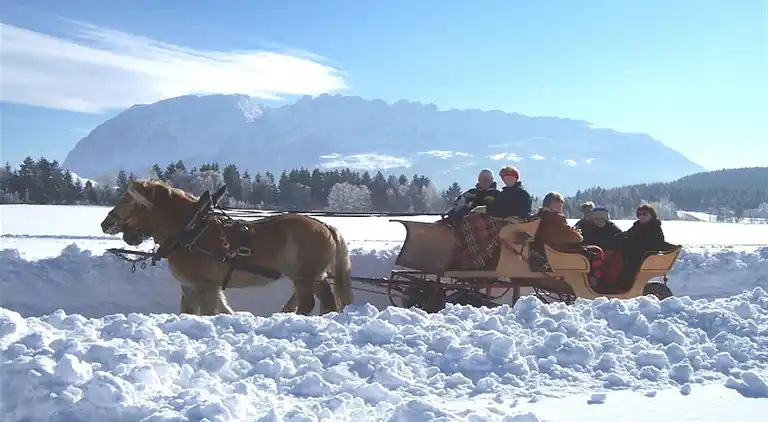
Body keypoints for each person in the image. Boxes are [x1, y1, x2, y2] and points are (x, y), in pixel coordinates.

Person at [533, 192, 604, 283]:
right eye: (558, 205)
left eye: (561, 205)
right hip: (557, 252)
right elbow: (574, 238)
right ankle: (593, 281)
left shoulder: (539, 217)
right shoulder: (555, 218)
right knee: (596, 251)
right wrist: (577, 234)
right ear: (550, 204)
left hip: (545, 251)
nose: (560, 208)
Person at [606, 204, 668, 284]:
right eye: (639, 214)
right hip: (633, 253)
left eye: (644, 214)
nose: (641, 216)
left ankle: (621, 285)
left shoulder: (654, 228)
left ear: (651, 215)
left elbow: (655, 244)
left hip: (643, 256)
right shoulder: (638, 225)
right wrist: (617, 237)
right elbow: (628, 234)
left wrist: (629, 244)